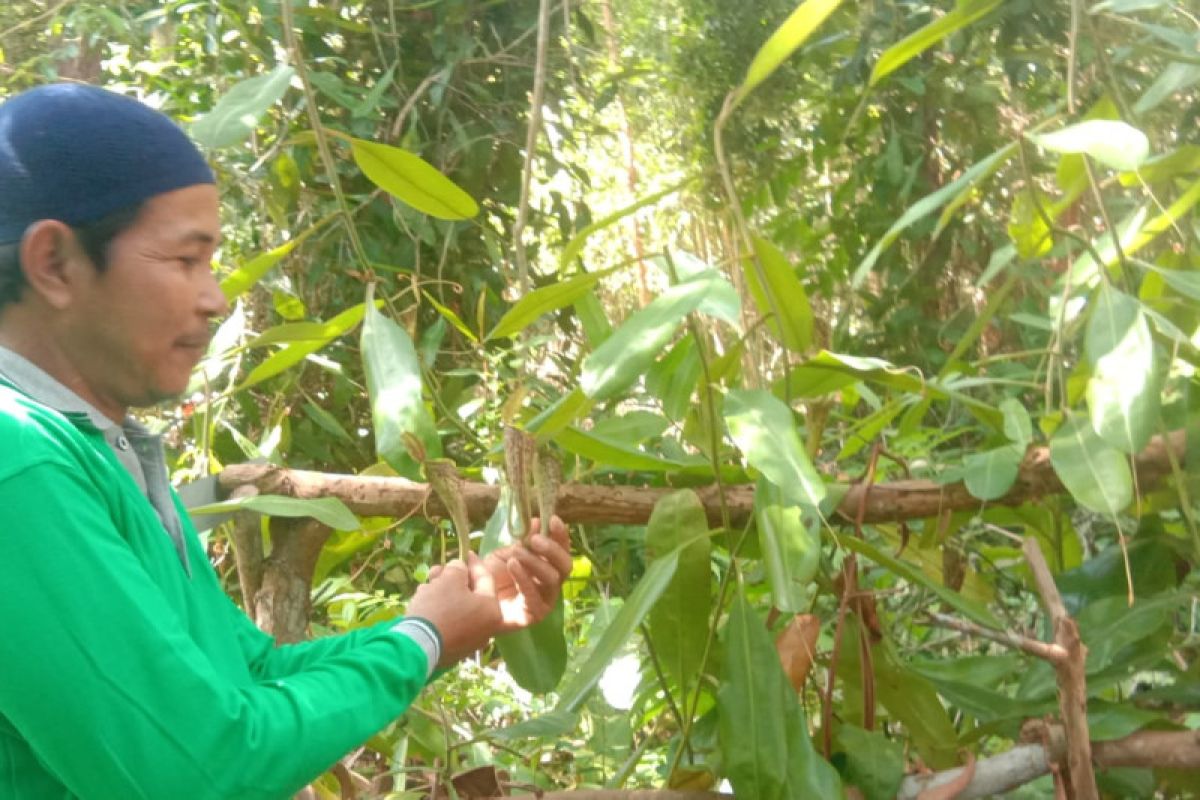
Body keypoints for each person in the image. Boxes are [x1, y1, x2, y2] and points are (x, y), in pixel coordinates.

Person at [0, 83, 572, 799]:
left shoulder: (97, 452)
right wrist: (421, 641)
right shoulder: (17, 463)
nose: (215, 298)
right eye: (185, 259)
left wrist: (454, 621)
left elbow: (251, 676)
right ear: (55, 263)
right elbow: (196, 771)